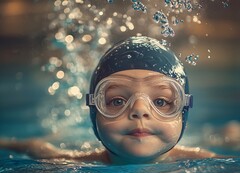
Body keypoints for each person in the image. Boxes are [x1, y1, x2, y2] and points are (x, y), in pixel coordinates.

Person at [0, 36, 219, 164]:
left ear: (184, 109)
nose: (139, 111)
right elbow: (35, 148)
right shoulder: (70, 163)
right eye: (117, 101)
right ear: (94, 109)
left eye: (161, 102)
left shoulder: (205, 160)